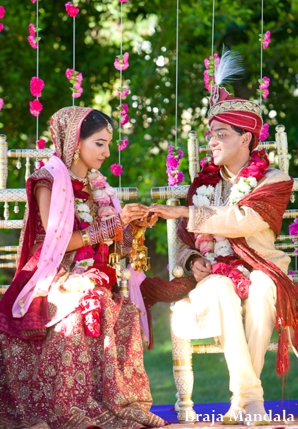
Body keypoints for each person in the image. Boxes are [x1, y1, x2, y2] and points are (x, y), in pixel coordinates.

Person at [0, 106, 197, 429]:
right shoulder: (47, 181)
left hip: (90, 274)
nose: (107, 152)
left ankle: (118, 401)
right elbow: (58, 238)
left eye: (108, 144)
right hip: (50, 273)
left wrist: (134, 226)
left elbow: (113, 246)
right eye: (100, 143)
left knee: (122, 307)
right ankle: (70, 403)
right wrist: (113, 225)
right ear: (76, 143)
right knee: (89, 300)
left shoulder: (97, 186)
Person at [149, 86, 298, 425]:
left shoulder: (274, 180)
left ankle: (241, 400)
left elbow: (244, 220)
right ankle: (251, 399)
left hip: (264, 271)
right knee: (218, 286)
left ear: (246, 138)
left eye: (221, 134)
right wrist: (190, 260)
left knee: (261, 288)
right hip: (216, 279)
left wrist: (185, 213)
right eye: (210, 135)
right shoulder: (201, 185)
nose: (212, 142)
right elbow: (185, 245)